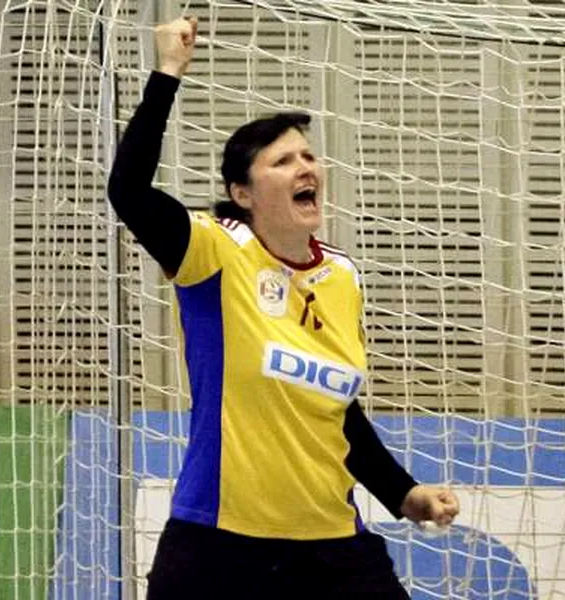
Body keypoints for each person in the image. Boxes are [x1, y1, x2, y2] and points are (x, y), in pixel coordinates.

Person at [108, 15, 461, 600]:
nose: (306, 168)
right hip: (219, 543)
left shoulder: (341, 276)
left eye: (308, 156)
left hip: (331, 545)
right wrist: (168, 70)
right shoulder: (214, 252)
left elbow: (334, 409)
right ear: (242, 193)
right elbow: (128, 192)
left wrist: (402, 493)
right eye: (282, 161)